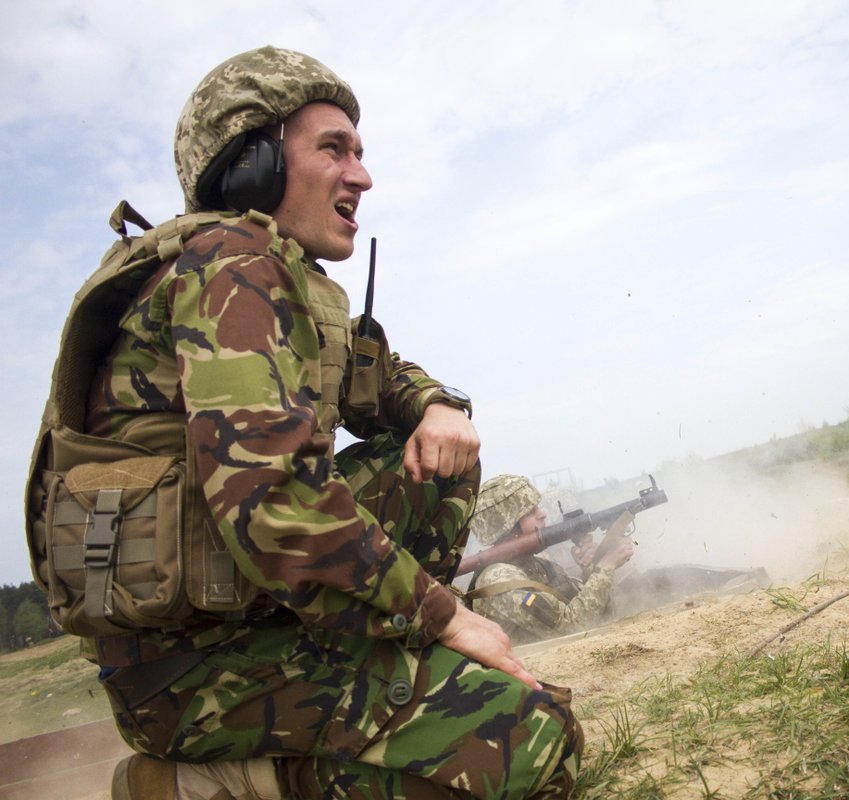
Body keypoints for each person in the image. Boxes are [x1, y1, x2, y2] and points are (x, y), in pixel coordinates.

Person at [32, 46, 581, 799]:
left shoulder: (277, 279)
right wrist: (443, 618)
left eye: (360, 152)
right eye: (334, 149)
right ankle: (196, 784)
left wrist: (437, 404)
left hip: (256, 623)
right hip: (191, 671)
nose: (362, 175)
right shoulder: (230, 273)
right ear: (251, 165)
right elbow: (275, 502)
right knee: (535, 747)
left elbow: (383, 379)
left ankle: (372, 672)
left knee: (439, 456)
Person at [466, 476, 634, 645]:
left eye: (537, 508)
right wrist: (605, 567)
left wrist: (591, 568)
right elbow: (572, 630)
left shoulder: (539, 564)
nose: (543, 514)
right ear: (508, 528)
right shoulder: (499, 578)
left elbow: (602, 616)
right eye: (530, 512)